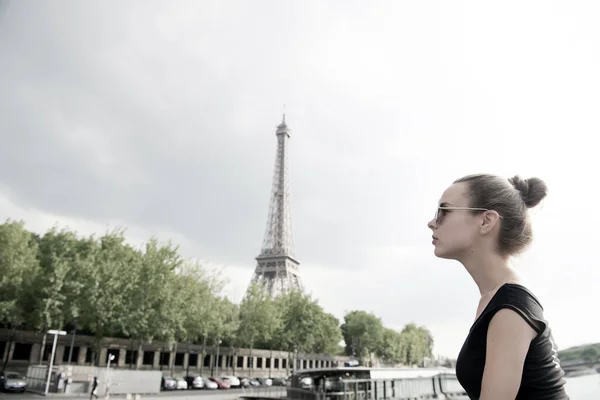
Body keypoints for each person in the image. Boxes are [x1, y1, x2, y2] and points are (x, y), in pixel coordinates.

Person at [427, 174, 569, 400]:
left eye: (444, 210)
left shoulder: (510, 308)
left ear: (486, 221)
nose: (432, 222)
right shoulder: (497, 299)